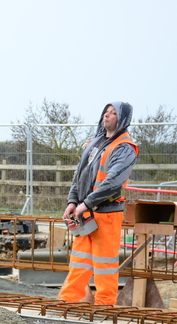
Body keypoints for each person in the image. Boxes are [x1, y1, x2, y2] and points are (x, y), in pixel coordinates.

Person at [59, 102, 139, 306]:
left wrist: (85, 204)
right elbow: (79, 175)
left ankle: (105, 304)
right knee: (79, 262)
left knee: (105, 264)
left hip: (106, 213)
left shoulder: (125, 148)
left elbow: (113, 183)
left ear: (122, 120)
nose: (107, 115)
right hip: (86, 213)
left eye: (113, 113)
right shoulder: (93, 144)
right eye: (106, 111)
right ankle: (69, 300)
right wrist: (72, 201)